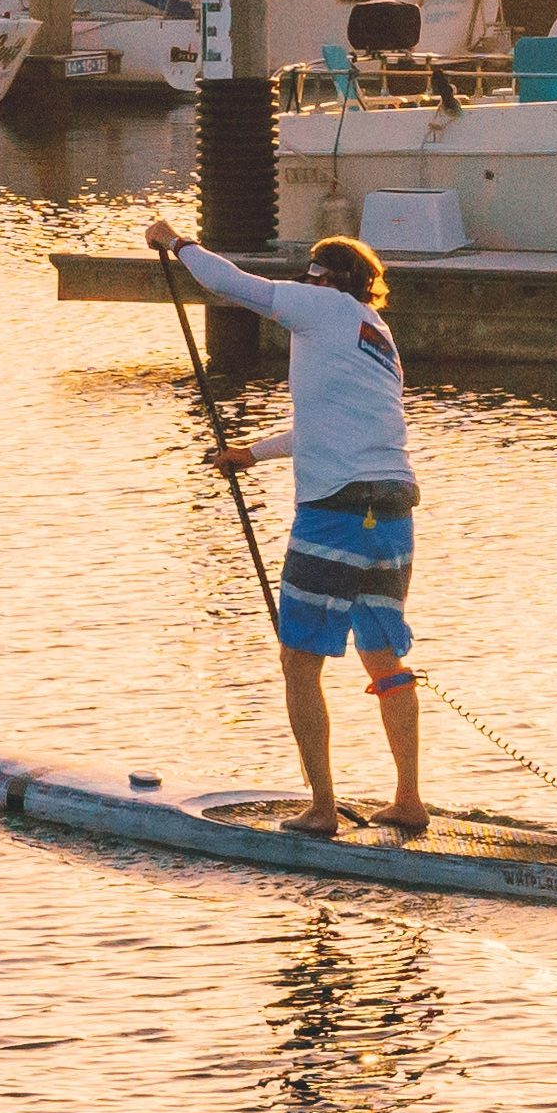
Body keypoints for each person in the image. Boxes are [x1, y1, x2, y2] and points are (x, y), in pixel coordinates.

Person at [146, 218, 425, 836]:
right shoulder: (376, 334)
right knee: (382, 656)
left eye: (310, 276)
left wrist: (176, 242)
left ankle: (322, 810)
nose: (303, 284)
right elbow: (329, 429)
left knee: (300, 660)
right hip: (393, 509)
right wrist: (253, 453)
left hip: (337, 510)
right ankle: (408, 799)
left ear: (323, 280)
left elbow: (233, 284)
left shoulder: (321, 306)